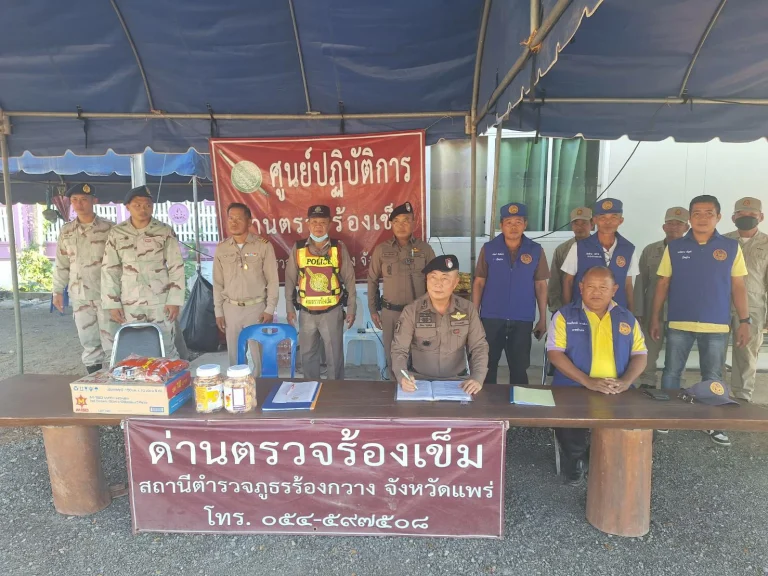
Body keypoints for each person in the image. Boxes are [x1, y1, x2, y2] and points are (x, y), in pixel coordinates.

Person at [650, 194, 751, 447]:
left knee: (713, 374)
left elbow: (738, 286)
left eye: (709, 213)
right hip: (679, 322)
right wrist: (655, 317)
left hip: (716, 323)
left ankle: (712, 422)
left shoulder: (731, 247)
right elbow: (663, 283)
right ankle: (668, 417)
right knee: (671, 372)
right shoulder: (675, 247)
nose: (702, 218)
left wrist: (745, 321)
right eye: (697, 213)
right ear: (690, 218)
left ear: (718, 217)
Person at [547, 266, 647, 486]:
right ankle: (576, 460)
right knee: (566, 422)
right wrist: (588, 382)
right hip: (572, 386)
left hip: (617, 389)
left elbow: (640, 355)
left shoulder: (627, 318)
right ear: (581, 288)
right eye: (591, 286)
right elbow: (555, 354)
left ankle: (596, 457)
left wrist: (626, 382)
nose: (596, 292)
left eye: (603, 287)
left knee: (639, 425)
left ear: (614, 290)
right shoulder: (564, 316)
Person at [101, 186, 185, 359]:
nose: (143, 209)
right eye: (137, 205)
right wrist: (112, 303)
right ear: (127, 207)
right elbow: (110, 269)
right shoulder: (117, 233)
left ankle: (171, 376)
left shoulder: (164, 231)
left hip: (160, 301)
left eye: (147, 205)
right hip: (130, 301)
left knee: (166, 347)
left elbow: (176, 266)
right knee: (135, 349)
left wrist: (175, 300)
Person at [472, 202, 549, 384]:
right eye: (508, 222)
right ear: (501, 225)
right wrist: (474, 315)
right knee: (487, 365)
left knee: (519, 367)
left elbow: (540, 285)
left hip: (522, 318)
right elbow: (479, 283)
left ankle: (518, 401)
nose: (513, 227)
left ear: (525, 224)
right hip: (491, 317)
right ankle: (487, 401)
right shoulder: (489, 249)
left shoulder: (535, 250)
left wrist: (543, 318)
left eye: (518, 222)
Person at [392, 255, 488, 395]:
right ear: (426, 280)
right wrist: (402, 376)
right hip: (419, 381)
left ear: (455, 282)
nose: (438, 284)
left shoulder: (467, 309)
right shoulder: (412, 311)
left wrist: (477, 377)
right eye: (433, 277)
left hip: (458, 382)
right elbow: (399, 349)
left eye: (445, 279)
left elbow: (479, 346)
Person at [285, 205, 356, 380]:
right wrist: (289, 308)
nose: (318, 226)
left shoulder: (338, 247)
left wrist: (352, 308)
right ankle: (311, 389)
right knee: (308, 355)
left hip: (332, 311)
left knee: (334, 356)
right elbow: (290, 279)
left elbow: (350, 279)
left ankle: (335, 392)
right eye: (314, 222)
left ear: (329, 224)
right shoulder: (299, 248)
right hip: (306, 313)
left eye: (323, 222)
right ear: (308, 224)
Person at [52, 184, 118, 373]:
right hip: (80, 295)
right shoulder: (67, 231)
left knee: (113, 341)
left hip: (106, 295)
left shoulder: (110, 228)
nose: (79, 204)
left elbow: (120, 262)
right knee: (89, 341)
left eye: (83, 200)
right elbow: (62, 263)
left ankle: (116, 382)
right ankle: (94, 381)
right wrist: (57, 291)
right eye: (74, 200)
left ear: (94, 201)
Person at [367, 201, 436, 379]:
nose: (401, 225)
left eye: (406, 220)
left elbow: (435, 281)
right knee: (393, 356)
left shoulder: (425, 249)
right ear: (391, 224)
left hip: (419, 313)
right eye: (396, 221)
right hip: (391, 313)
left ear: (413, 223)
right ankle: (395, 389)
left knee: (420, 356)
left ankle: (417, 390)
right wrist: (373, 310)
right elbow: (372, 280)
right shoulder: (382, 250)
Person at [213, 202, 279, 367]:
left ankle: (260, 383)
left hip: (256, 309)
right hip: (231, 309)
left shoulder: (263, 246)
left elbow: (272, 280)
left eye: (239, 219)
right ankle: (237, 384)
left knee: (259, 359)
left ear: (249, 222)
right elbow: (218, 283)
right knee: (235, 359)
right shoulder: (222, 248)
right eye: (231, 218)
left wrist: (269, 309)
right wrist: (218, 311)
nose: (234, 222)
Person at [634, 207, 690, 387]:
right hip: (653, 310)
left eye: (679, 223)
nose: (674, 227)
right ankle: (647, 382)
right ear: (664, 227)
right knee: (649, 351)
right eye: (670, 223)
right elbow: (640, 281)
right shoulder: (651, 250)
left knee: (678, 352)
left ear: (687, 227)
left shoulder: (693, 250)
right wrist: (638, 311)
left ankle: (675, 386)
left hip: (681, 311)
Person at [725, 197, 767, 402]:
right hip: (721, 305)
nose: (746, 217)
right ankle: (715, 392)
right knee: (714, 351)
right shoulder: (722, 242)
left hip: (753, 308)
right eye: (741, 214)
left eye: (752, 214)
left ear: (761, 217)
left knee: (747, 354)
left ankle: (742, 397)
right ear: (733, 217)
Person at [561, 198, 638, 310]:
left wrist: (630, 313)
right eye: (602, 218)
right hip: (584, 312)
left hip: (617, 313)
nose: (608, 222)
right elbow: (568, 281)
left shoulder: (628, 249)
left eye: (613, 217)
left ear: (621, 221)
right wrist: (567, 311)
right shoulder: (579, 247)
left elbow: (628, 284)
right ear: (595, 220)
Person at [548, 207, 593, 313]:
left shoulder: (599, 248)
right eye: (575, 223)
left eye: (584, 223)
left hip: (594, 306)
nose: (579, 227)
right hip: (568, 305)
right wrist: (556, 308)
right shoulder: (562, 249)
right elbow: (554, 281)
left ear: (592, 224)